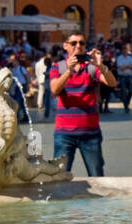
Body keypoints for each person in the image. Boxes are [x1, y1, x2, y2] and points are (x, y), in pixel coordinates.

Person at [49, 30, 117, 176]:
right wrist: (68, 71)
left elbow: (112, 83)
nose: (78, 46)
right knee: (59, 177)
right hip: (64, 134)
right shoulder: (57, 67)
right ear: (65, 46)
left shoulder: (91, 67)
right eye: (74, 43)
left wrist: (101, 66)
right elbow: (54, 89)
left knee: (97, 176)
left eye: (82, 43)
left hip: (90, 133)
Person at [115, 44, 132, 114]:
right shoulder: (119, 58)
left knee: (131, 91)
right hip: (122, 77)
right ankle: (126, 106)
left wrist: (125, 66)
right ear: (122, 51)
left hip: (129, 76)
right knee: (124, 92)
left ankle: (126, 103)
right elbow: (120, 68)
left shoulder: (129, 58)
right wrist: (128, 66)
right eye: (124, 50)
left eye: (126, 50)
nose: (125, 51)